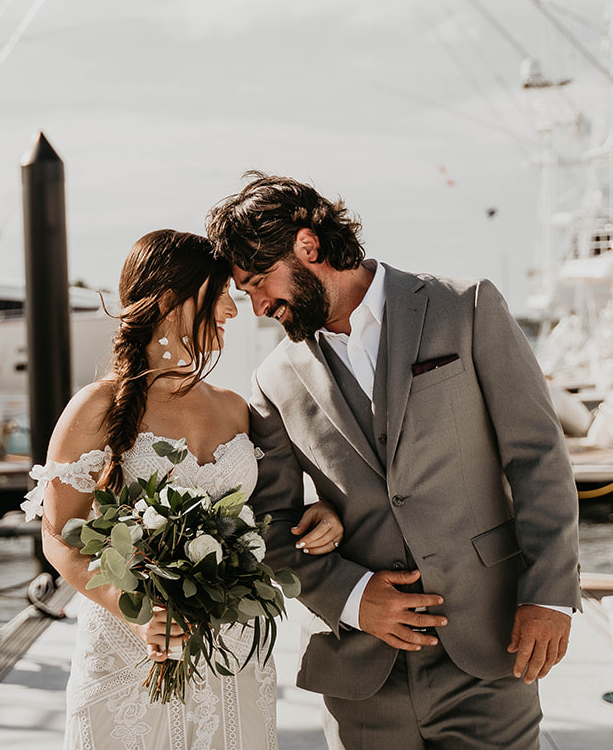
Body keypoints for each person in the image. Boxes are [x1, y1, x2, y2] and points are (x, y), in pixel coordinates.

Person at [207, 173, 581, 750]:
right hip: (362, 676)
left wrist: (548, 595)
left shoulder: (465, 307)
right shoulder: (273, 380)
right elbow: (268, 526)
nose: (259, 306)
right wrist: (354, 597)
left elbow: (538, 458)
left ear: (308, 246)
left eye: (259, 283)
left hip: (489, 641)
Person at [24, 229, 346, 750]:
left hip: (232, 653)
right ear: (170, 301)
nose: (233, 310)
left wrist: (323, 511)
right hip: (130, 650)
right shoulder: (96, 407)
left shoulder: (235, 408)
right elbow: (59, 537)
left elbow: (269, 512)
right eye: (220, 295)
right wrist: (131, 607)